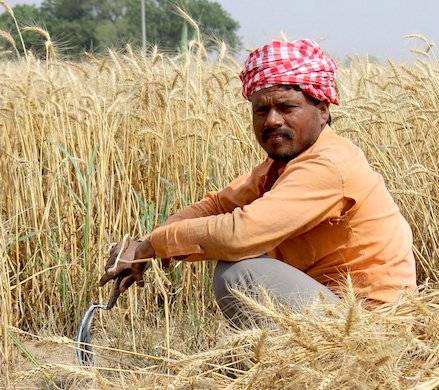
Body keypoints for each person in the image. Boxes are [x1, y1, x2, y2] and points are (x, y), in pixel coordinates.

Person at [99, 39, 417, 323]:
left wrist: (153, 246)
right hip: (339, 311)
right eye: (261, 110)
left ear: (322, 110)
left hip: (371, 325)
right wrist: (149, 243)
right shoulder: (282, 165)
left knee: (240, 273)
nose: (272, 120)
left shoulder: (329, 165)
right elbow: (217, 204)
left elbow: (240, 234)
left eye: (287, 107)